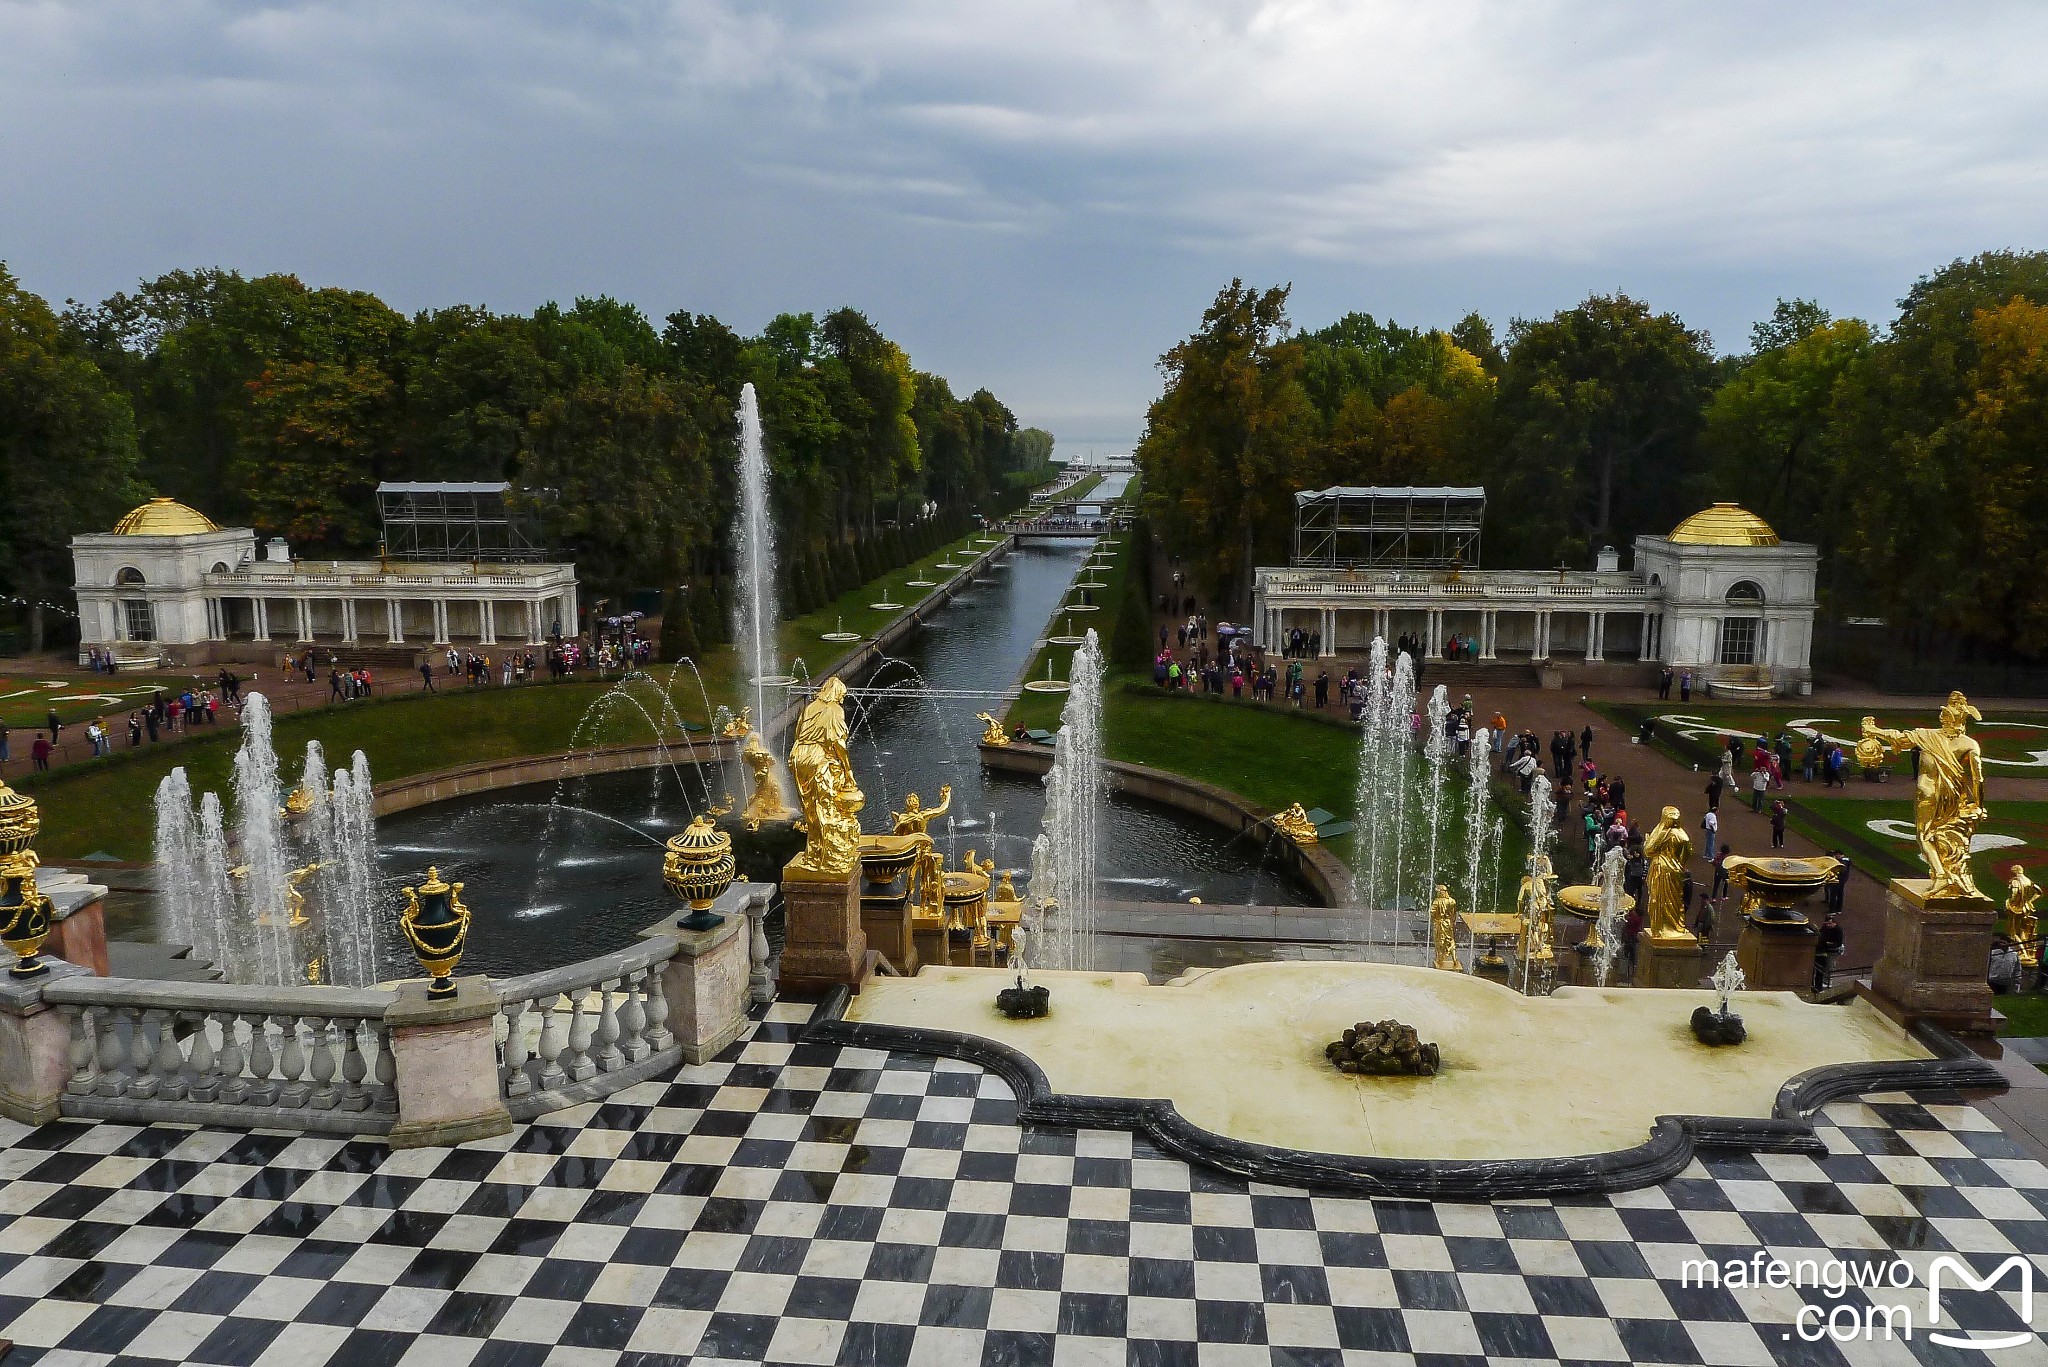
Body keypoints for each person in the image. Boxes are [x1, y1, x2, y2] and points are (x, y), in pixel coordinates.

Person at [1815, 911, 1845, 993]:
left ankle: (1828, 981)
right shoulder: (1824, 927)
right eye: (1827, 923)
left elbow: (1838, 943)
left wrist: (1828, 943)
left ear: (1834, 923)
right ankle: (1824, 981)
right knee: (1824, 966)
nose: (1828, 925)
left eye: (1830, 924)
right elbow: (1821, 936)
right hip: (1826, 949)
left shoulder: (1838, 930)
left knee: (1829, 965)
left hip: (1834, 951)